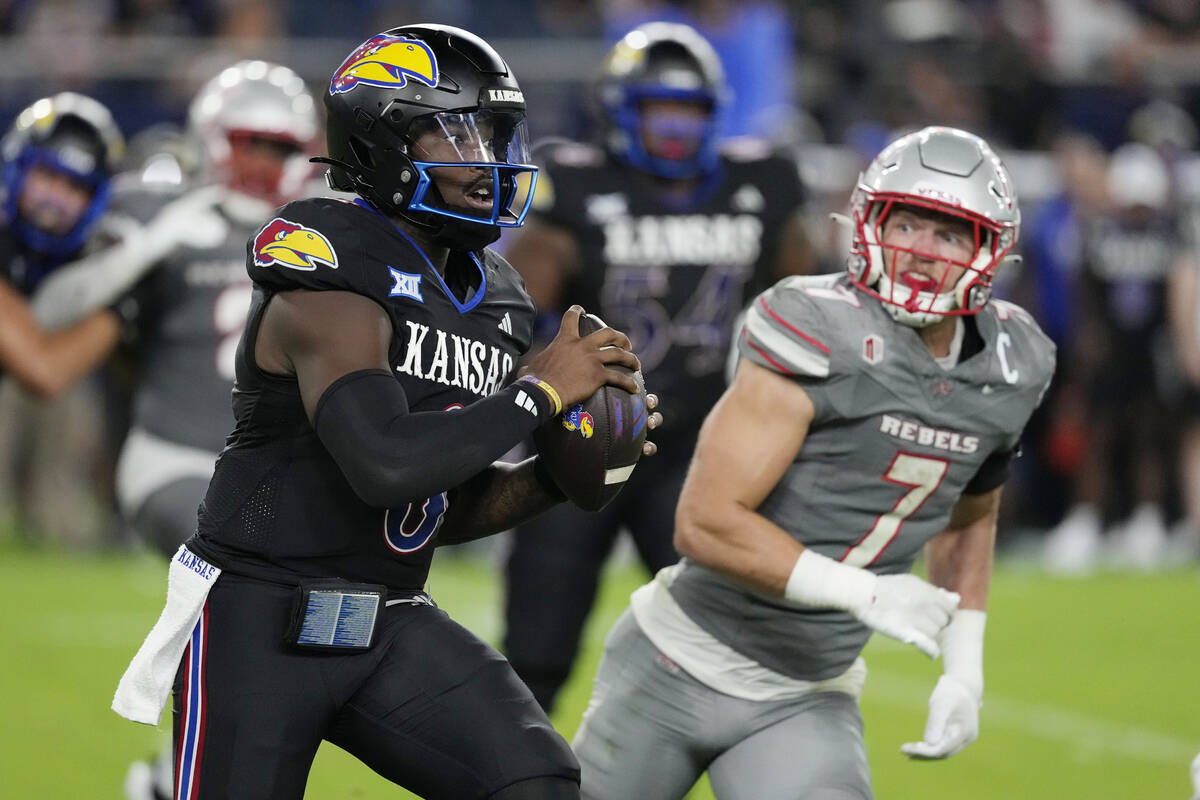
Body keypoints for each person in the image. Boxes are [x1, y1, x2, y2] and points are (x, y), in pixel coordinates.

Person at [113, 24, 658, 800]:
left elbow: (438, 504)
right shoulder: (326, 261)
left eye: (494, 134)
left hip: (390, 616)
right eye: (456, 133)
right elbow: (384, 462)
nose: (486, 159)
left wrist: (565, 470)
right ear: (383, 143)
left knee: (535, 780)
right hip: (257, 617)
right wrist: (537, 393)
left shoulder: (495, 294)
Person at [572, 126, 1056, 799]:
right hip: (675, 662)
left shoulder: (1014, 362)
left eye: (950, 235)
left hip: (808, 692)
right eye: (908, 224)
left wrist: (963, 672)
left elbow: (970, 515)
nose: (922, 252)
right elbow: (705, 523)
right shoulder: (813, 325)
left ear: (989, 252)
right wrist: (869, 592)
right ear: (868, 223)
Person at [502, 20, 813, 714]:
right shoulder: (578, 186)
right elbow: (513, 313)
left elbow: (812, 310)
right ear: (620, 110)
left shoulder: (764, 182)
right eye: (660, 110)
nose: (676, 129)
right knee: (536, 651)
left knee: (721, 649)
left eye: (691, 111)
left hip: (704, 449)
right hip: (585, 435)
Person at [0, 91, 126, 396]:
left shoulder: (94, 257)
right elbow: (44, 372)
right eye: (47, 175)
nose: (56, 198)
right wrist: (123, 308)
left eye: (75, 187)